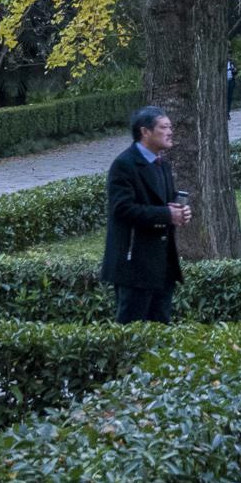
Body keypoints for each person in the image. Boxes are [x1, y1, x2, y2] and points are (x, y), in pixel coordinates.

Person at [102, 106, 190, 323]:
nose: (170, 132)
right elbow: (122, 209)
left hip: (162, 264)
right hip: (134, 264)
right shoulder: (124, 164)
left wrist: (181, 211)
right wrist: (166, 215)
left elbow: (166, 201)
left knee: (160, 328)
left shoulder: (162, 164)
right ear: (145, 132)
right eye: (164, 127)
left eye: (170, 127)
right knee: (132, 330)